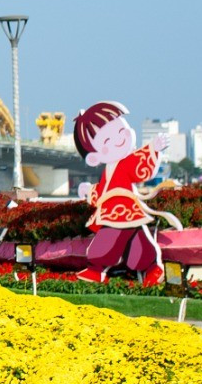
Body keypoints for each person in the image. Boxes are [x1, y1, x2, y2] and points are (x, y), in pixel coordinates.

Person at [72, 101, 177, 282]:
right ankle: (152, 269)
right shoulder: (110, 168)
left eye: (121, 131)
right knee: (137, 243)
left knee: (108, 241)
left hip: (121, 212)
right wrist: (90, 190)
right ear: (94, 157)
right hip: (118, 212)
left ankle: (98, 270)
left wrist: (154, 148)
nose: (119, 139)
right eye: (107, 141)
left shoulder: (123, 163)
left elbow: (137, 166)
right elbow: (105, 189)